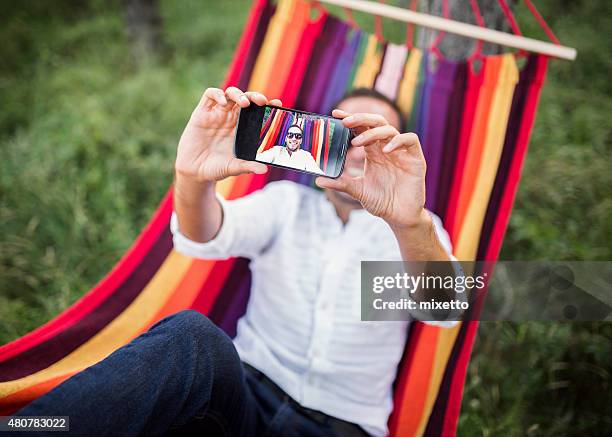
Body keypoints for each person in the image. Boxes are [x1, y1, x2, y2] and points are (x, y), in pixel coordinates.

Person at [15, 87, 456, 437]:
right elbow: (201, 235)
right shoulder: (285, 204)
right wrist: (191, 178)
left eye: (372, 137)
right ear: (321, 137)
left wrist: (408, 221)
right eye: (345, 134)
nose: (357, 150)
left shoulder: (416, 228)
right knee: (193, 335)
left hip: (343, 425)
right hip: (243, 397)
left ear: (392, 150)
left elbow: (446, 310)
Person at [256, 123, 324, 174]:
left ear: (301, 141)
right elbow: (259, 158)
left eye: (298, 136)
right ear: (286, 139)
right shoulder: (276, 150)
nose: (294, 139)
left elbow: (317, 172)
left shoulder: (306, 156)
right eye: (290, 135)